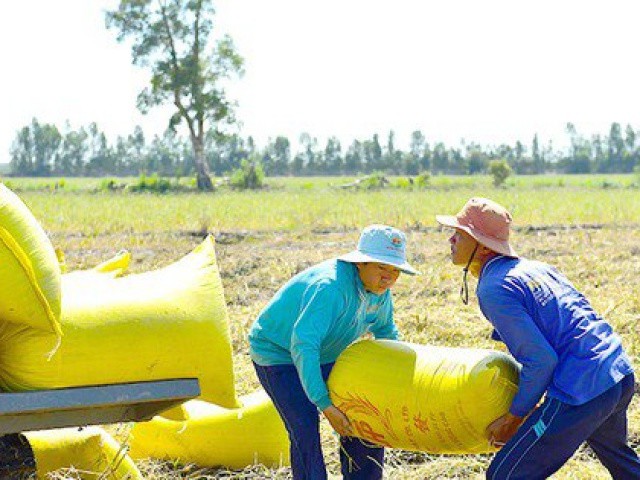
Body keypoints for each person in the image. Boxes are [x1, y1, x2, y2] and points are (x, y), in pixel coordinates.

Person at [436, 197, 640, 480]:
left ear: (482, 246)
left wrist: (514, 417)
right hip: (616, 371)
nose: (451, 239)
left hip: (582, 387)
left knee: (505, 475)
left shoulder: (494, 288)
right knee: (623, 463)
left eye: (459, 234)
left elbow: (541, 359)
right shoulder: (534, 268)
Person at [248, 224, 419, 479]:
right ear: (360, 263)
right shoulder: (330, 288)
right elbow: (304, 345)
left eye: (395, 270)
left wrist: (407, 376)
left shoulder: (380, 293)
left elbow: (387, 334)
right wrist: (325, 404)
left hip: (327, 352)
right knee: (305, 427)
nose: (389, 277)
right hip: (279, 354)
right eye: (382, 267)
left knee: (363, 417)